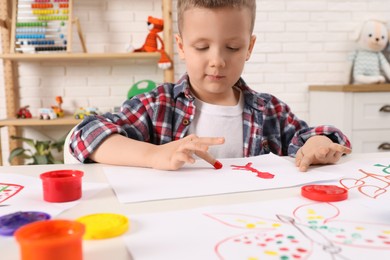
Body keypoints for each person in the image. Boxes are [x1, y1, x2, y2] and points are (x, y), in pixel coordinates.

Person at [69, 0, 351, 172]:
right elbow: (85, 134)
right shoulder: (158, 106)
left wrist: (319, 144)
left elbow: (313, 137)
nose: (217, 61)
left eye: (232, 47)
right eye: (202, 47)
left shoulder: (270, 110)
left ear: (249, 47)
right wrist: (154, 155)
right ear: (180, 46)